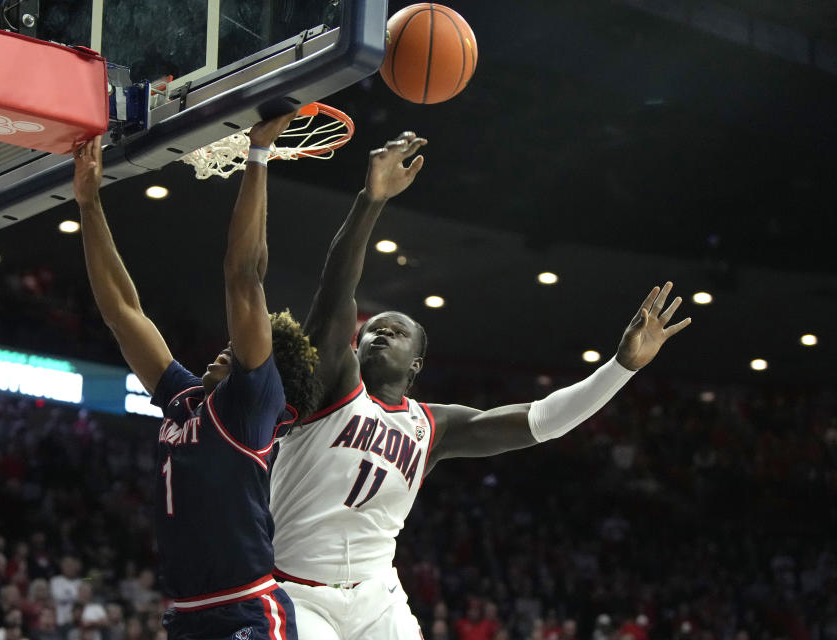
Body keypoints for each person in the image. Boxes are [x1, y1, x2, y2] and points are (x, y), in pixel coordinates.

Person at [269, 131, 692, 639]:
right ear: (353, 346)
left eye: (396, 329)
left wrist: (620, 367)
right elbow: (336, 292)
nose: (379, 331)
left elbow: (542, 422)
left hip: (376, 597)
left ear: (417, 363)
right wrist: (370, 201)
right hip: (297, 590)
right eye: (371, 328)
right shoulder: (331, 387)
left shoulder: (434, 427)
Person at [72, 111, 321, 639]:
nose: (223, 352)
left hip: (246, 611)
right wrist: (90, 203)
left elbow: (243, 275)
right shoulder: (184, 399)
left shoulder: (252, 408)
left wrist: (257, 156)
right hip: (187, 615)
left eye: (236, 351)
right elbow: (123, 311)